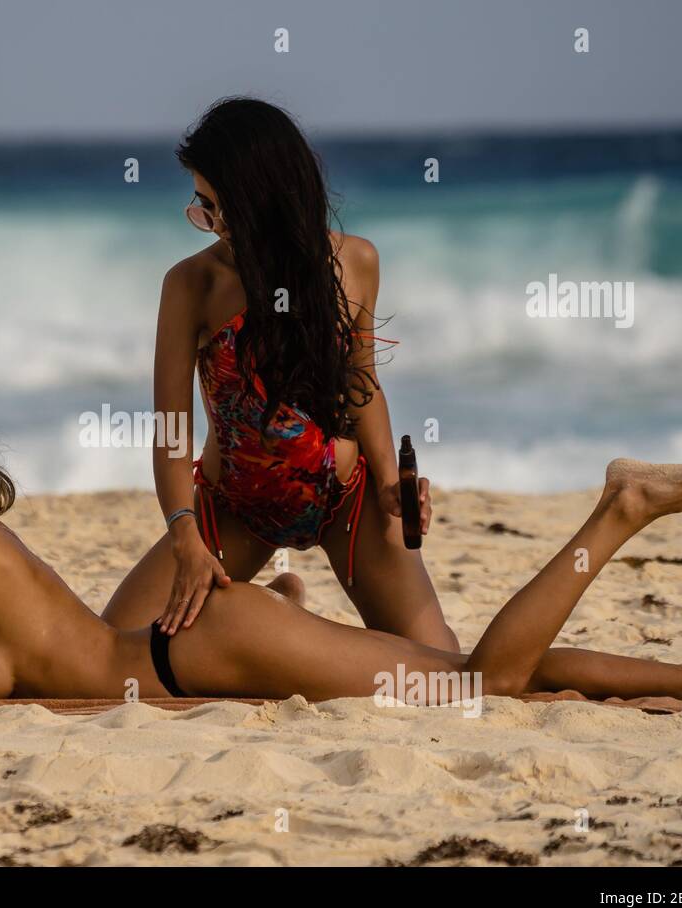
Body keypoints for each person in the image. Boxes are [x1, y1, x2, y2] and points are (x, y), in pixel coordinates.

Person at [0, 386, 682, 714]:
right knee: (451, 679)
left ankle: (618, 509)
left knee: (475, 688)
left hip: (195, 649)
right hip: (166, 651)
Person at [100, 95, 456, 651]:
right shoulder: (192, 284)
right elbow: (171, 428)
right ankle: (275, 605)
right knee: (117, 647)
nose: (211, 224)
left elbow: (362, 387)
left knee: (437, 660)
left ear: (264, 199)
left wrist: (391, 482)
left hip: (345, 499)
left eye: (220, 207)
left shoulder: (355, 262)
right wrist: (184, 535)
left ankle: (274, 611)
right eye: (201, 206)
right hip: (235, 508)